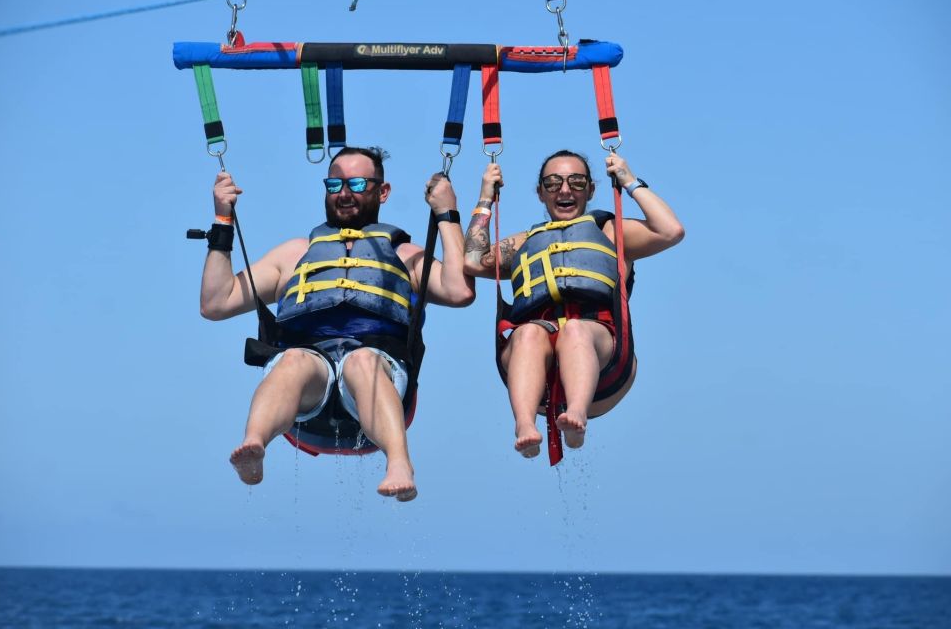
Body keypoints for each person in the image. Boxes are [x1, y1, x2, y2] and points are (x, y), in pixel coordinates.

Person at [199, 146, 475, 501]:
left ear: (383, 192)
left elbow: (459, 291)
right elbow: (215, 302)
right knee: (292, 360)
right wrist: (223, 220)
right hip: (306, 398)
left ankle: (400, 463)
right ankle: (254, 444)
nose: (344, 193)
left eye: (357, 183)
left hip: (379, 383)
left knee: (362, 362)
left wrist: (446, 213)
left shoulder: (405, 256)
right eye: (334, 184)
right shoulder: (295, 254)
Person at [463, 150, 684, 458]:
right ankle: (525, 425)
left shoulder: (611, 232)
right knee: (526, 333)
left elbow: (670, 230)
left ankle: (576, 415)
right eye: (553, 183)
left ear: (590, 190)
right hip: (537, 363)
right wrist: (486, 196)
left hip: (605, 364)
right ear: (540, 192)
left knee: (575, 331)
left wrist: (628, 180)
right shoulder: (525, 243)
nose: (565, 190)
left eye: (576, 182)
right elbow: (473, 261)